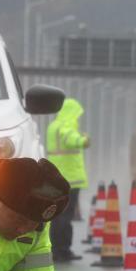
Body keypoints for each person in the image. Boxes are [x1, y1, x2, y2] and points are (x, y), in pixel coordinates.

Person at [46, 98, 91, 262]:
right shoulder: (66, 126)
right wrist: (84, 140)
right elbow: (70, 138)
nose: (77, 118)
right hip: (70, 179)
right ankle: (63, 250)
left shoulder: (53, 126)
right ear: (71, 113)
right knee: (66, 216)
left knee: (56, 215)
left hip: (56, 177)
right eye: (77, 115)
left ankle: (55, 249)